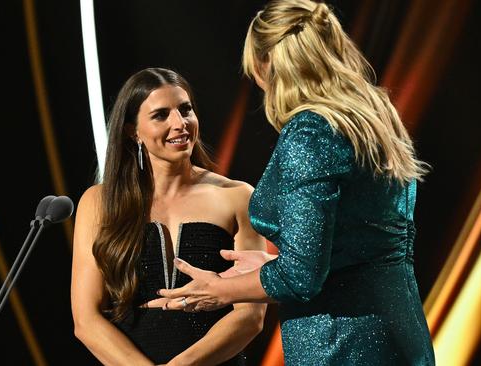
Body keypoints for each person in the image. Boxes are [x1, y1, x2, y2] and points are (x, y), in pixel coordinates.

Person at [157, 1, 436, 364]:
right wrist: (270, 265)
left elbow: (301, 279)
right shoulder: (373, 115)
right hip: (399, 329)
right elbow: (361, 242)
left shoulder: (311, 131)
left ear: (268, 63)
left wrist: (220, 290)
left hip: (341, 342)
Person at [71, 68, 267, 365]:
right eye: (161, 115)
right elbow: (86, 319)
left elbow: (250, 315)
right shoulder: (99, 202)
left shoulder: (237, 195)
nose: (180, 123)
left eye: (185, 110)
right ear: (132, 131)